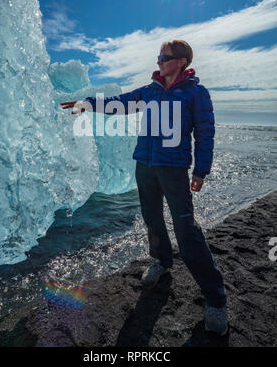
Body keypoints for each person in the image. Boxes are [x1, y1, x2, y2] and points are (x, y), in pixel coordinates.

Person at [60, 39, 228, 336]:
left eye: (165, 57)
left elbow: (205, 134)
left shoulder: (195, 93)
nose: (159, 61)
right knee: (152, 219)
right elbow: (120, 103)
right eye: (159, 56)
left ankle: (216, 299)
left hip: (174, 169)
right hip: (145, 166)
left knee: (186, 230)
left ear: (181, 61)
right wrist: (87, 103)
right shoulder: (150, 91)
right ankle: (161, 261)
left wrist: (201, 170)